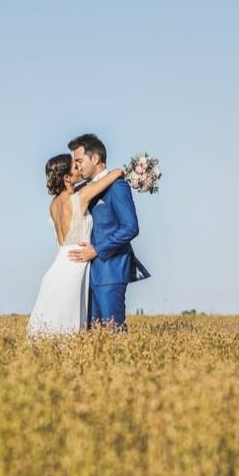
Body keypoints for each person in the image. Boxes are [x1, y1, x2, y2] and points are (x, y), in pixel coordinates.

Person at [27, 154, 124, 336]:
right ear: (66, 177)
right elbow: (111, 176)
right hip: (75, 264)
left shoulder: (54, 203)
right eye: (75, 167)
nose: (79, 168)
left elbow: (79, 187)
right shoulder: (81, 197)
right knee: (68, 326)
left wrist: (77, 183)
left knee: (54, 323)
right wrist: (124, 171)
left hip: (59, 263)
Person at [67, 133, 150, 331]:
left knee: (113, 331)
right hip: (86, 273)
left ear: (95, 158)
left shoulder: (117, 186)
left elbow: (130, 227)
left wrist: (96, 250)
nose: (77, 166)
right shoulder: (86, 189)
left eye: (79, 160)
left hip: (110, 271)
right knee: (92, 335)